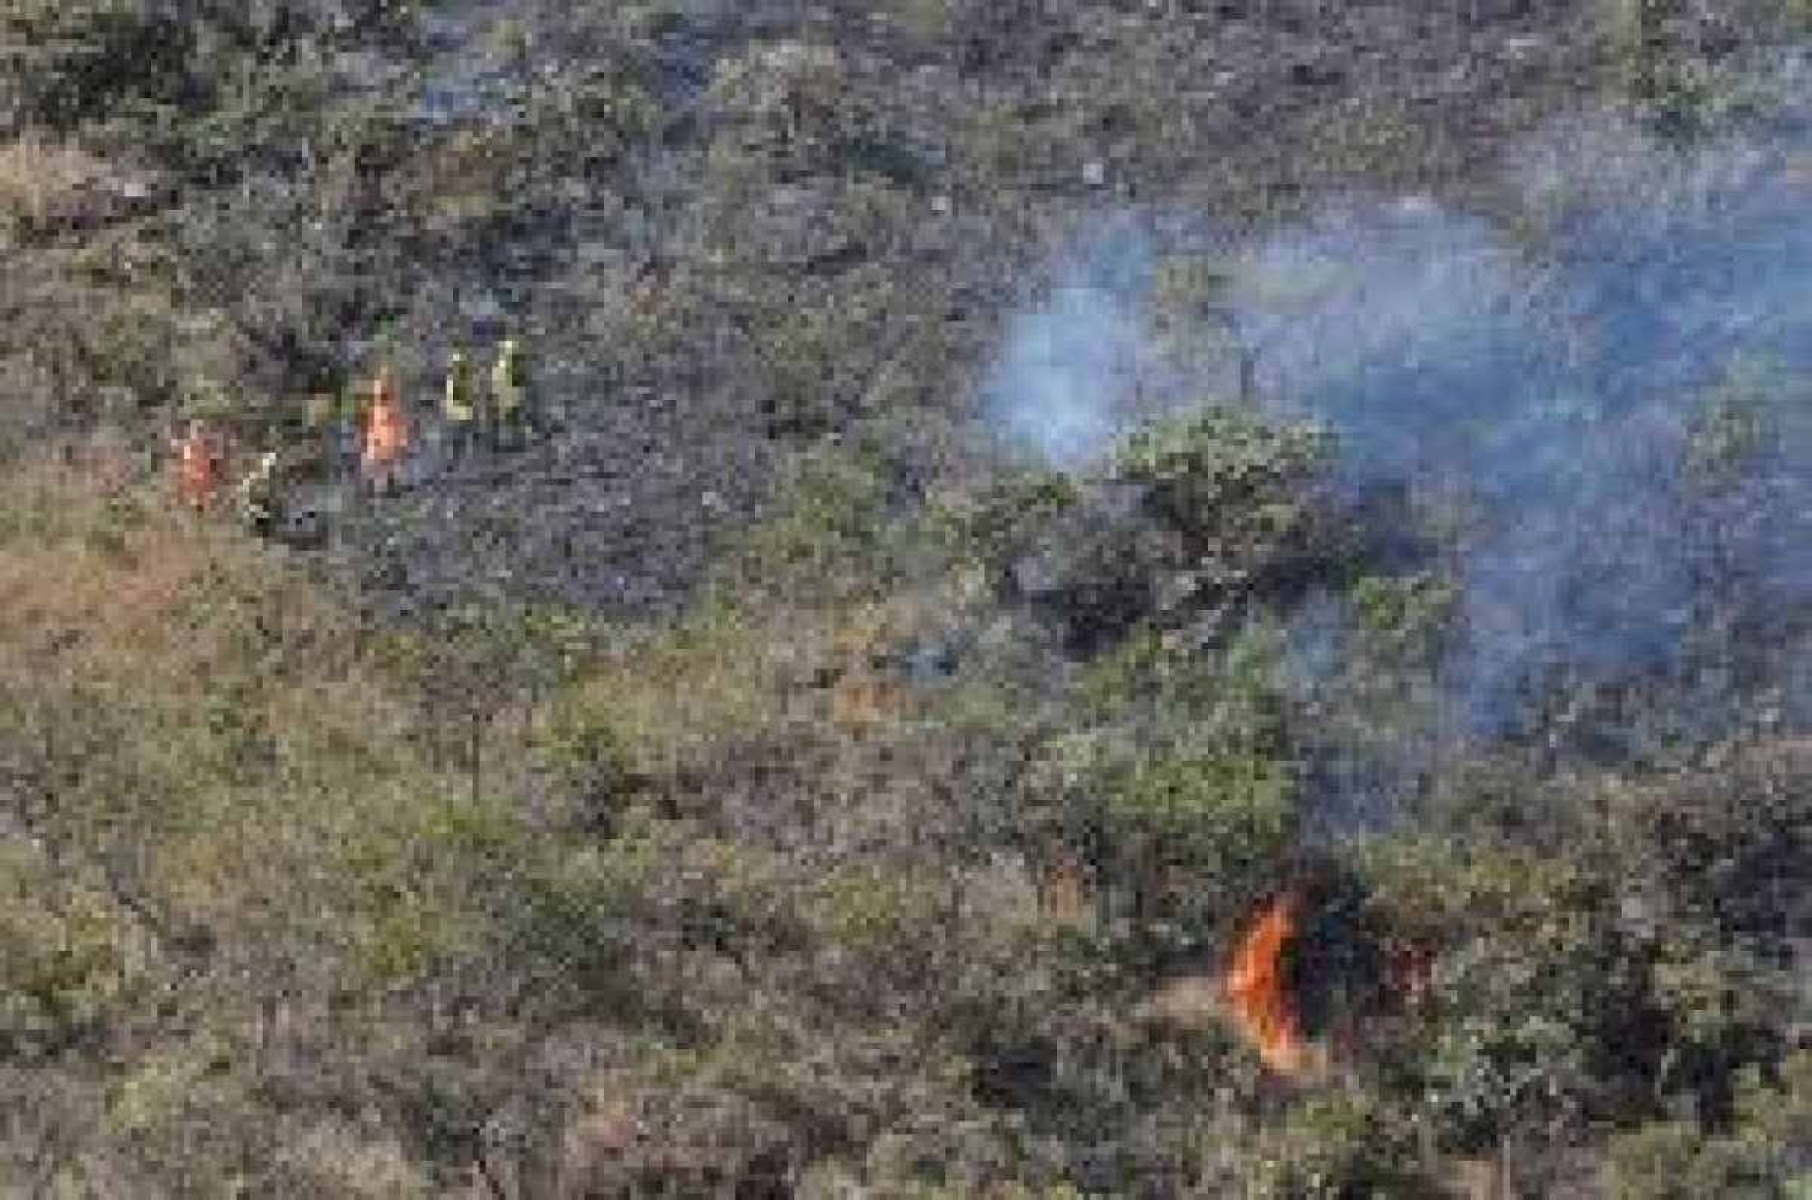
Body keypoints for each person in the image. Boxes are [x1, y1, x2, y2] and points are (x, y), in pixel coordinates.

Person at [362, 362, 410, 495]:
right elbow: (377, 415)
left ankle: (389, 485)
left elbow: (398, 418)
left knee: (389, 462)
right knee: (378, 461)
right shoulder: (381, 402)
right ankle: (373, 486)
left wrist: (402, 437)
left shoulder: (392, 402)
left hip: (388, 432)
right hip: (383, 431)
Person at [172, 417, 222, 514]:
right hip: (197, 472)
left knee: (199, 487)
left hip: (199, 472)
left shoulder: (199, 447)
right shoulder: (193, 447)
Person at [490, 336, 528, 451]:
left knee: (511, 418)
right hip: (506, 396)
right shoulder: (501, 366)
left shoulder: (512, 366)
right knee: (506, 419)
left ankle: (512, 442)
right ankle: (503, 443)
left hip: (510, 396)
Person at [442, 347, 478, 463]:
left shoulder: (462, 379)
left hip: (462, 413)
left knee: (461, 438)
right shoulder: (455, 380)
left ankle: (463, 460)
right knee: (457, 439)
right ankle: (456, 459)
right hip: (458, 414)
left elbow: (469, 395)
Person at [238, 449, 281, 537]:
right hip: (258, 504)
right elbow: (245, 491)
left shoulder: (273, 479)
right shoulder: (255, 477)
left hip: (264, 505)